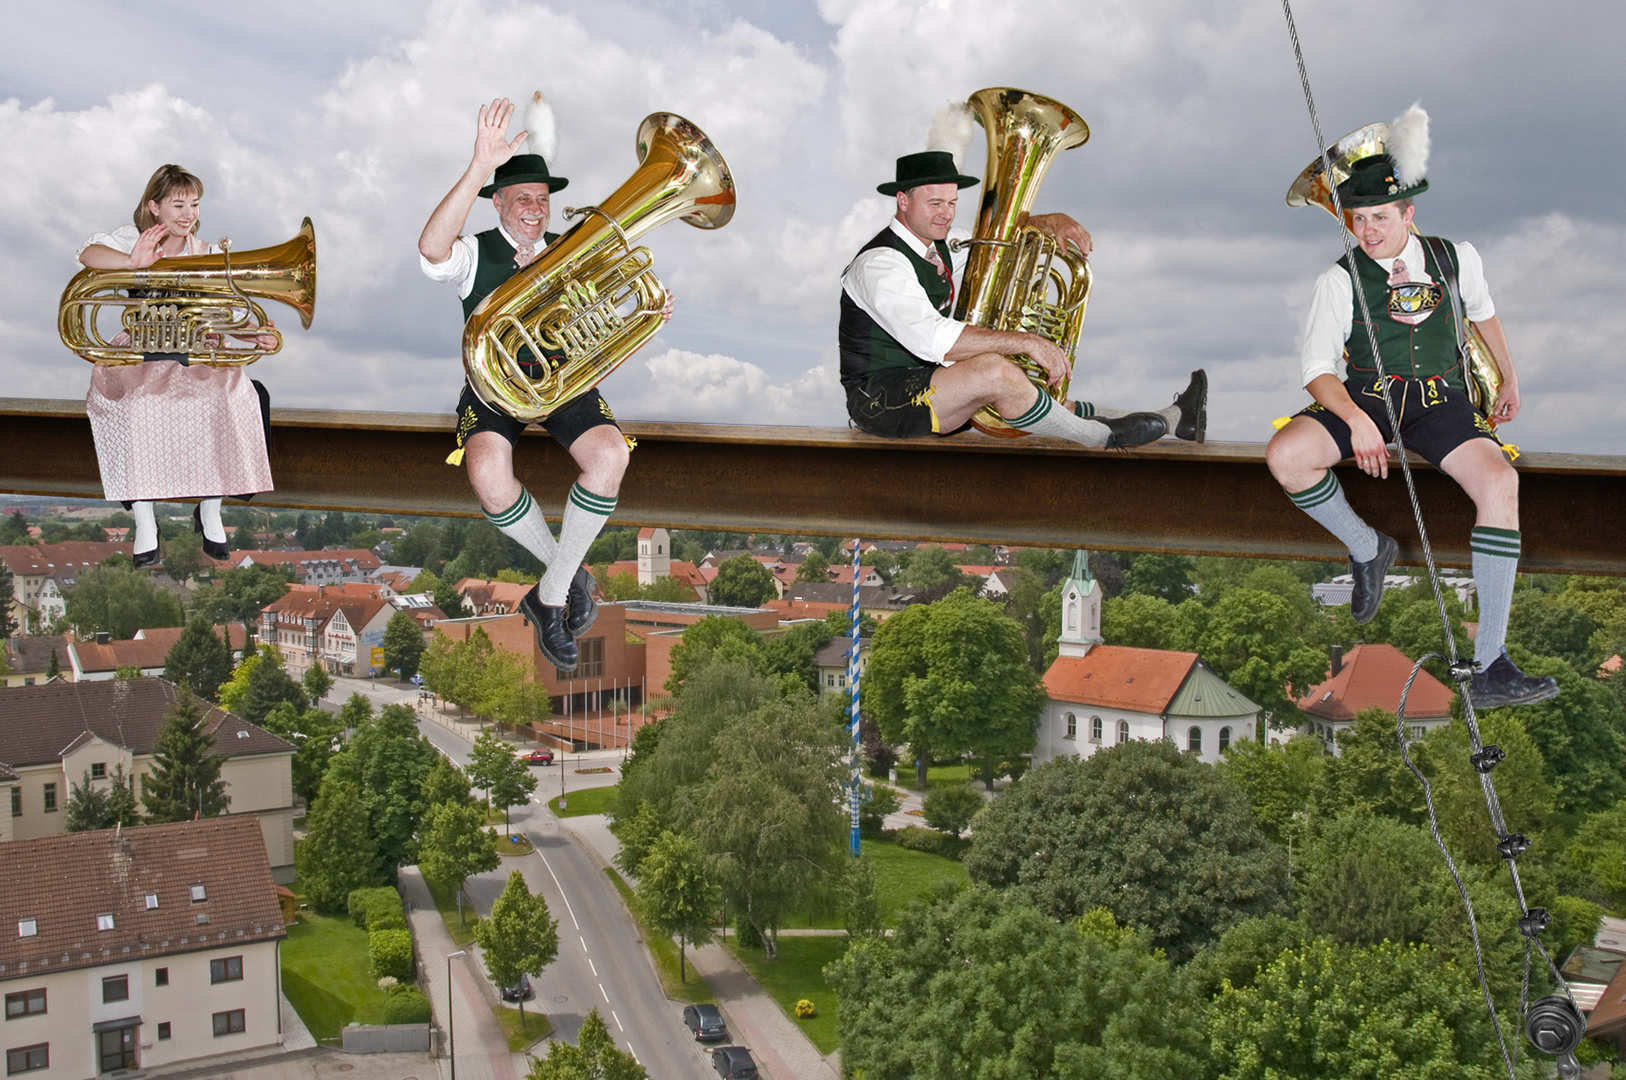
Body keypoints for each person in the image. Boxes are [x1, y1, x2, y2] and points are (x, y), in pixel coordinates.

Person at [1265, 107, 1556, 709]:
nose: (1368, 231)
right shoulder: (1339, 280)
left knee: (1500, 483)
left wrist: (1508, 376)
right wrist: (1355, 419)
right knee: (1287, 455)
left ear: (1408, 214)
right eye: (1358, 219)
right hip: (1367, 397)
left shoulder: (1457, 257)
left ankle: (1491, 663)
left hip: (1442, 402)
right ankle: (1368, 546)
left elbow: (1484, 314)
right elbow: (1318, 371)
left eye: (1380, 217)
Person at [419, 94, 635, 673]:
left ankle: (552, 594)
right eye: (522, 199)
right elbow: (430, 248)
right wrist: (478, 166)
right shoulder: (474, 252)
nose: (536, 209)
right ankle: (566, 576)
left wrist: (635, 328)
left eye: (542, 199)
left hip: (561, 383)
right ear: (498, 203)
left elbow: (595, 345)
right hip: (494, 386)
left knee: (611, 456)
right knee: (487, 472)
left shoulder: (571, 253)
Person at [840, 147, 1206, 447]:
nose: (946, 214)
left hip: (932, 385)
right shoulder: (879, 264)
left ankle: (1175, 420)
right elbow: (934, 339)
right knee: (995, 370)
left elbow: (1000, 238)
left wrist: (1047, 221)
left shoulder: (945, 245)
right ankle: (1100, 439)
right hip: (879, 400)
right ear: (902, 201)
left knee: (1034, 396)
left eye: (952, 203)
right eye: (935, 204)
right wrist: (1027, 341)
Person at [76, 164, 275, 567]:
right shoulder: (132, 240)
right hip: (142, 350)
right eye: (178, 204)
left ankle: (210, 508)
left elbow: (224, 312)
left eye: (195, 204)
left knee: (225, 397)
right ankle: (145, 521)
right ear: (154, 207)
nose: (189, 214)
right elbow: (86, 254)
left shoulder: (209, 253)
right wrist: (133, 261)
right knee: (137, 405)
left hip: (197, 350)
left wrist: (255, 335)